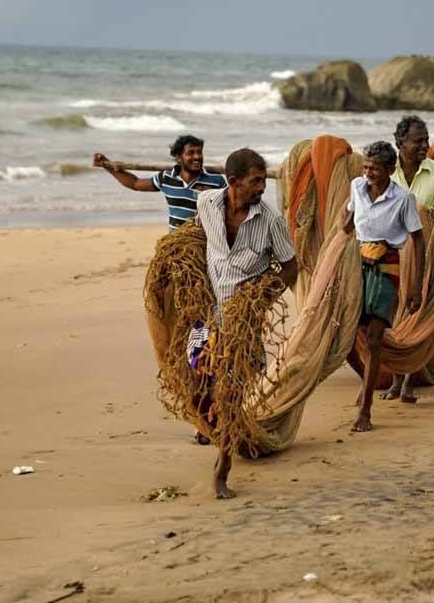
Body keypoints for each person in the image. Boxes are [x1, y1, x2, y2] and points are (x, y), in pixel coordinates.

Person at [191, 148, 298, 498]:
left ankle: (222, 471)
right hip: (206, 316)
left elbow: (290, 266)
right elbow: (195, 239)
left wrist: (260, 301)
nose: (262, 187)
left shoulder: (270, 221)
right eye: (255, 181)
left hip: (243, 324)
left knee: (231, 391)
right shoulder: (206, 203)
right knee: (197, 380)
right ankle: (214, 427)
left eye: (263, 180)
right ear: (233, 182)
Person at [340, 141, 425, 432]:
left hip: (387, 266)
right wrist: (341, 236)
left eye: (374, 168)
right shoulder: (356, 186)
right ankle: (369, 382)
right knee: (357, 332)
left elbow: (418, 239)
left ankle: (366, 409)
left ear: (390, 169)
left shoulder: (404, 198)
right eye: (365, 167)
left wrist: (415, 287)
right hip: (358, 265)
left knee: (375, 337)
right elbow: (349, 216)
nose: (368, 173)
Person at [383, 114, 434, 403]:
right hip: (390, 256)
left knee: (419, 316)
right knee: (391, 318)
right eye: (418, 140)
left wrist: (425, 214)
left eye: (426, 140)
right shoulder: (388, 173)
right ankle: (394, 378)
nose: (424, 146)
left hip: (424, 257)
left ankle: (409, 380)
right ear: (400, 142)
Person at [92, 135, 226, 231]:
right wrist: (107, 165)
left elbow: (232, 209)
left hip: (206, 245)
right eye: (190, 153)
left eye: (199, 152)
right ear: (178, 158)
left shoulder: (216, 180)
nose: (197, 157)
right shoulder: (167, 178)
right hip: (175, 245)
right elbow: (135, 183)